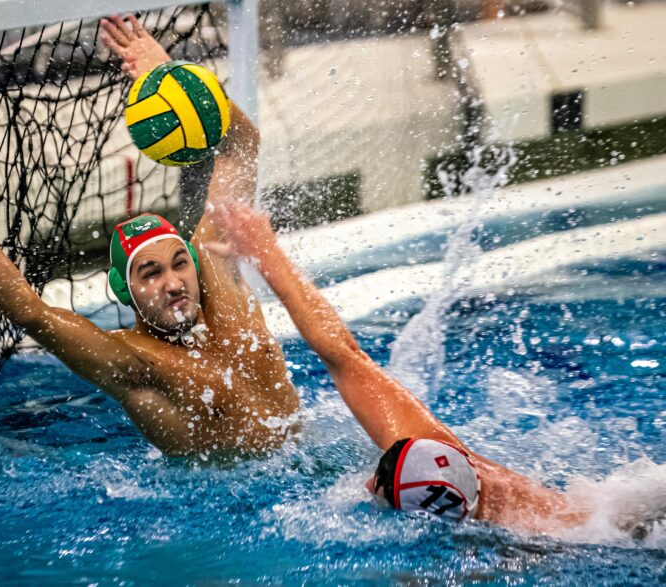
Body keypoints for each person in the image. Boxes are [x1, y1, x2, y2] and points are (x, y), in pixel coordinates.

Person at [0, 15, 300, 458]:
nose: (173, 282)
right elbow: (31, 314)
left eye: (178, 262)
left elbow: (241, 147)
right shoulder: (134, 363)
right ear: (125, 291)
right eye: (150, 273)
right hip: (230, 511)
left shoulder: (217, 269)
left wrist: (172, 80)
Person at [208, 201, 602, 534]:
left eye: (378, 483)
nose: (366, 483)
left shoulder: (532, 541)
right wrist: (265, 251)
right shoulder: (461, 471)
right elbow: (342, 354)